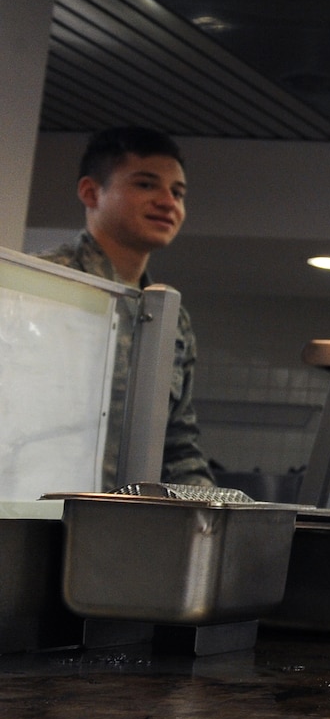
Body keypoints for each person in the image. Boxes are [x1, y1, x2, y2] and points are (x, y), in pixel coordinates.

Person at [39, 127, 213, 487]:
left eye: (177, 192)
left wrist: (214, 517)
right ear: (91, 192)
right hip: (33, 522)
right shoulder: (44, 287)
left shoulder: (170, 320)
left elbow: (178, 445)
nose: (168, 202)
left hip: (127, 528)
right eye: (146, 185)